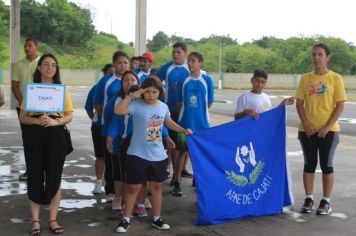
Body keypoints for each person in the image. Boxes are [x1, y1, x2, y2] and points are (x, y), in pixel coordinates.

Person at [114, 77, 192, 233]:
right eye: (148, 92)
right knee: (133, 188)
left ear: (160, 92)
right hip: (137, 154)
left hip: (158, 155)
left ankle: (157, 218)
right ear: (142, 92)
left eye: (155, 92)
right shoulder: (136, 105)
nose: (151, 95)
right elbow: (118, 110)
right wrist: (131, 96)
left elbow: (168, 122)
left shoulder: (163, 107)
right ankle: (126, 219)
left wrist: (182, 130)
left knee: (156, 187)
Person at [19, 53, 73, 235]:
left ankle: (52, 219)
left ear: (56, 69)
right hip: (34, 134)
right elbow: (23, 117)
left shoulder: (61, 90)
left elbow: (69, 115)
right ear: (39, 68)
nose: (50, 67)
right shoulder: (31, 90)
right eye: (46, 64)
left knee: (54, 174)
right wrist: (37, 121)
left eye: (53, 65)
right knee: (34, 174)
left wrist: (55, 122)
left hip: (55, 133)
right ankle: (35, 220)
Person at [296, 43, 346, 215]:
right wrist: (307, 124)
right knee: (309, 164)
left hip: (329, 131)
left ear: (328, 57)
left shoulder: (335, 78)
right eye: (314, 55)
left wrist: (326, 127)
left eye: (320, 54)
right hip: (307, 130)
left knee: (327, 165)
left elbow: (340, 105)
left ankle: (326, 201)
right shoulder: (305, 78)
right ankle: (309, 198)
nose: (316, 58)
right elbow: (299, 103)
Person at [172, 52, 214, 196]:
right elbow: (178, 102)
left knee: (200, 155)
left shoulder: (207, 80)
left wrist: (199, 114)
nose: (190, 63)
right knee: (181, 153)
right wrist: (187, 115)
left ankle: (198, 179)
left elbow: (209, 103)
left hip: (203, 125)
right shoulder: (183, 80)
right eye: (189, 61)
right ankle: (176, 181)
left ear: (200, 63)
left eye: (193, 61)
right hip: (185, 124)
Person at [93, 51, 129, 202]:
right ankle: (110, 191)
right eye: (120, 63)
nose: (122, 65)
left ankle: (127, 192)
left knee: (125, 161)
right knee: (110, 160)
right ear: (114, 64)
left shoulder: (132, 80)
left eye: (125, 63)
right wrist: (106, 121)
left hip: (127, 130)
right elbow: (98, 102)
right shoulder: (106, 81)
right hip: (109, 128)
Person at [156, 42, 192, 183]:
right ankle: (169, 170)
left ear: (185, 53)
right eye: (174, 52)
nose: (175, 54)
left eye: (179, 52)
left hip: (185, 113)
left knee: (185, 144)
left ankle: (181, 169)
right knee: (171, 144)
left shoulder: (190, 68)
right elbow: (155, 81)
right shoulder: (168, 67)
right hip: (169, 112)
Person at [11, 37, 40, 181]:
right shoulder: (17, 65)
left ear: (36, 48)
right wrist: (26, 104)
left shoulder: (43, 64)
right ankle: (30, 171)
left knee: (42, 139)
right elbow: (15, 87)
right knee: (28, 139)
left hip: (41, 109)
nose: (26, 48)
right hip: (23, 109)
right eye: (25, 46)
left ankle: (43, 170)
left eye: (30, 45)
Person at [84, 64, 113, 195]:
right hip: (99, 126)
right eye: (109, 73)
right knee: (100, 156)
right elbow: (89, 107)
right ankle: (98, 182)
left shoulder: (121, 87)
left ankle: (112, 186)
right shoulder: (97, 88)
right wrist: (97, 119)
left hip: (115, 128)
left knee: (113, 158)